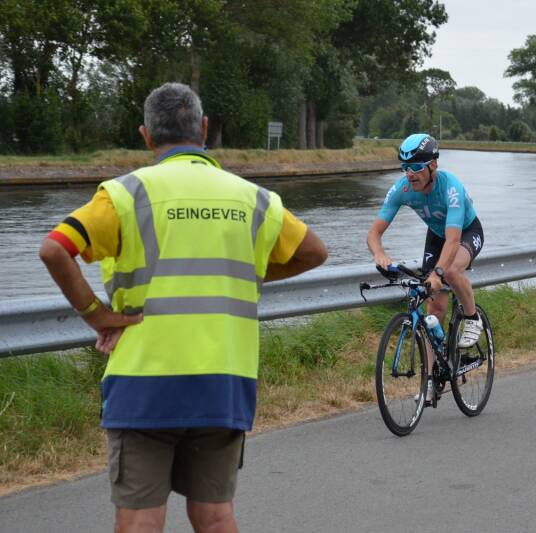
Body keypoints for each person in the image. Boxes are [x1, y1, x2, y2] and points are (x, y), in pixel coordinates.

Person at [39, 82, 327, 533]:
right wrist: (244, 273)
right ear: (205, 128)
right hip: (224, 382)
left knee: (140, 521)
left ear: (147, 136)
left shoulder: (123, 194)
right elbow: (314, 252)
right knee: (214, 518)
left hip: (144, 383)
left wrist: (95, 313)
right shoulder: (254, 198)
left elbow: (56, 249)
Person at [367, 133, 485, 396]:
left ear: (433, 165)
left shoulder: (450, 187)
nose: (410, 174)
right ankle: (432, 377)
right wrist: (379, 254)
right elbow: (374, 233)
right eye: (405, 168)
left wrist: (439, 273)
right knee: (434, 309)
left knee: (451, 271)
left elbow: (453, 240)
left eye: (416, 168)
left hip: (465, 232)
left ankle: (472, 316)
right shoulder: (402, 189)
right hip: (437, 236)